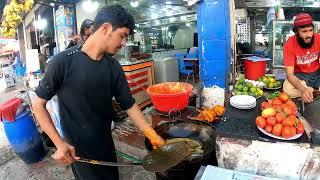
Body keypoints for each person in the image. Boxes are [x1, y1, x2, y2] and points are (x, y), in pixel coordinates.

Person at [32, 5, 165, 180]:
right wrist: (59, 144)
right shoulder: (63, 62)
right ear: (106, 28)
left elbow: (128, 104)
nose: (124, 42)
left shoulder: (113, 67)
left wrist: (151, 134)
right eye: (123, 35)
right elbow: (38, 105)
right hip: (79, 151)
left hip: (106, 143)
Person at [283, 13, 320, 103]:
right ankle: (311, 91)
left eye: (311, 30)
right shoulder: (289, 44)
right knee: (287, 88)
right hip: (300, 76)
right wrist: (302, 89)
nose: (309, 35)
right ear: (296, 32)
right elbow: (290, 74)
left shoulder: (319, 39)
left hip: (317, 74)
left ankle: (313, 91)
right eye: (304, 31)